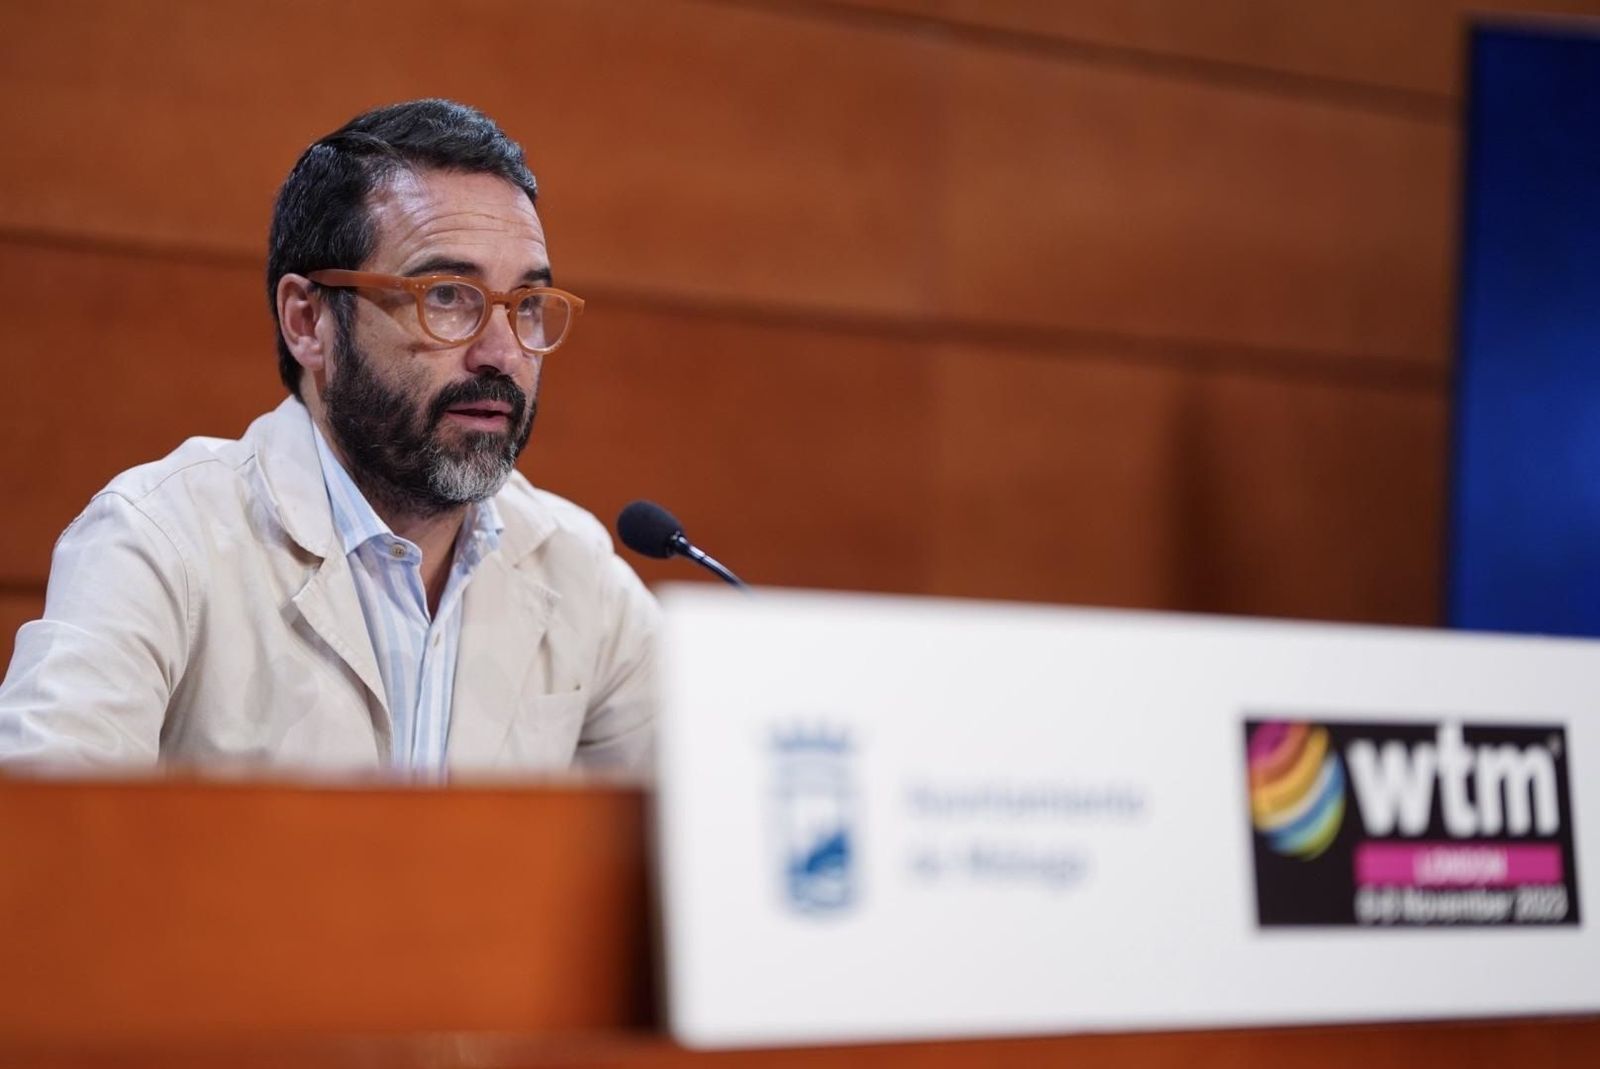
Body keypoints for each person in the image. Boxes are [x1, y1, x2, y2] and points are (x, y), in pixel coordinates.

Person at [0, 100, 657, 776]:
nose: (501, 352)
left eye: (526, 305)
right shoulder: (162, 541)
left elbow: (722, 823)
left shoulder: (579, 576)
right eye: (447, 296)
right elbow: (38, 841)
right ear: (309, 321)